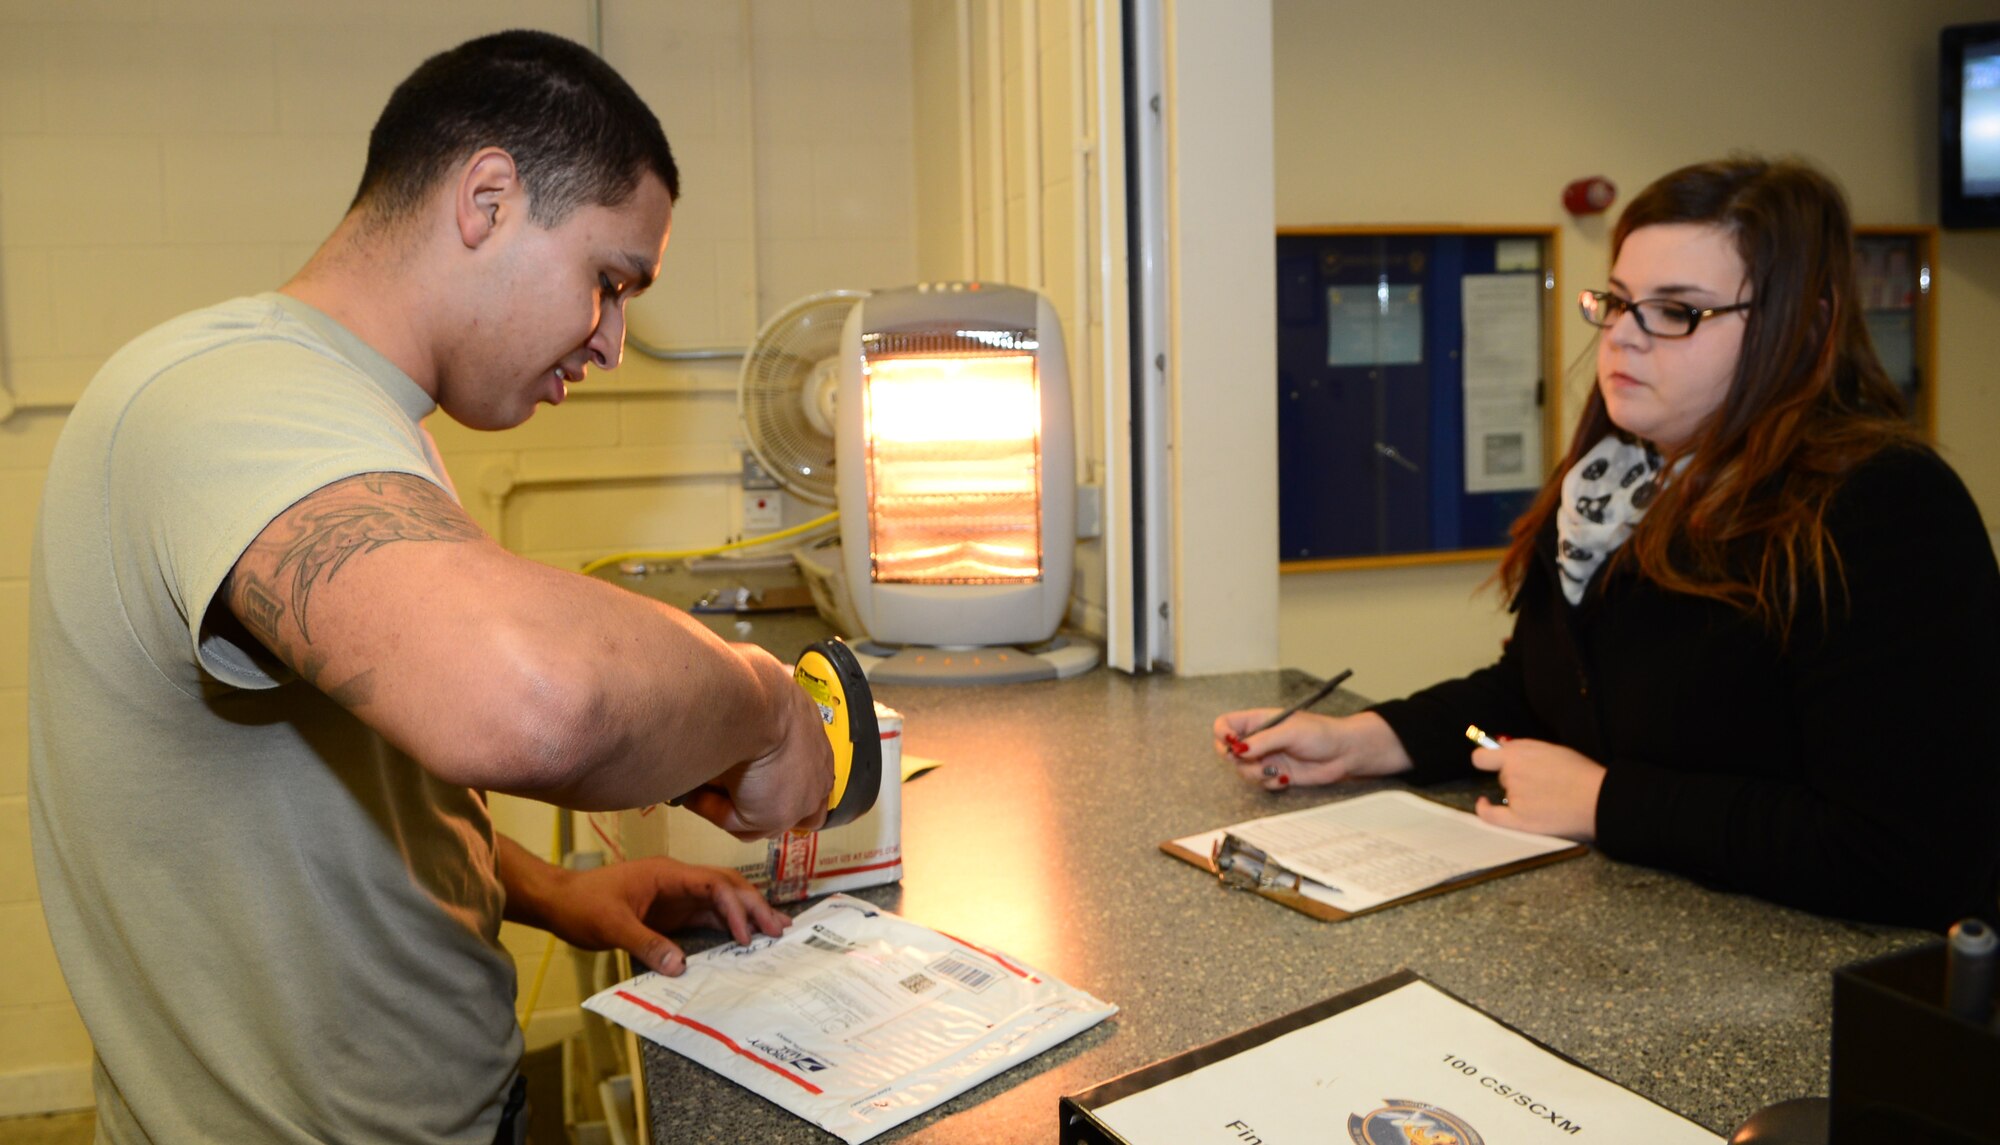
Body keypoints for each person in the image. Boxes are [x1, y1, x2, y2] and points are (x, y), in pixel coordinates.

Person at [28, 30, 834, 1143]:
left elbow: (338, 781)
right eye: (607, 280)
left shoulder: (357, 419)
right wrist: (767, 706)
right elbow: (523, 697)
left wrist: (545, 891)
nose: (611, 341)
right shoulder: (231, 398)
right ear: (488, 197)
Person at [1215, 156, 2000, 932]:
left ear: (1804, 326)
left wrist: (1604, 802)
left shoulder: (1886, 506)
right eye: (1619, 303)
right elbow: (1532, 692)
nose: (1622, 338)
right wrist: (1362, 741)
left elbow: (1912, 856)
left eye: (1677, 311)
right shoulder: (1612, 482)